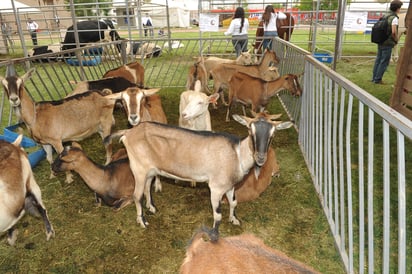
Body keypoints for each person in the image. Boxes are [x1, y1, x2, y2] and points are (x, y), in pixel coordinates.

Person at [372, 0, 403, 84]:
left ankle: (374, 78)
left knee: (378, 60)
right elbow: (393, 31)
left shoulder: (385, 15)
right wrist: (396, 39)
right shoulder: (394, 18)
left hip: (381, 40)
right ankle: (378, 79)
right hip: (388, 42)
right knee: (384, 62)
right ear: (397, 9)